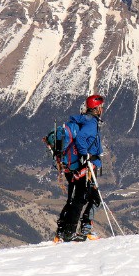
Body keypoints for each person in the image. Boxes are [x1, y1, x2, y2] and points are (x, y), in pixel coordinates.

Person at [54, 94, 105, 242]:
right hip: (85, 165)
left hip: (74, 166)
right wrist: (85, 155)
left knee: (76, 197)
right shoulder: (91, 123)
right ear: (96, 108)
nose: (102, 109)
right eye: (100, 107)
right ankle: (75, 231)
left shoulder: (83, 120)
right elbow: (82, 138)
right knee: (85, 198)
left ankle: (63, 230)